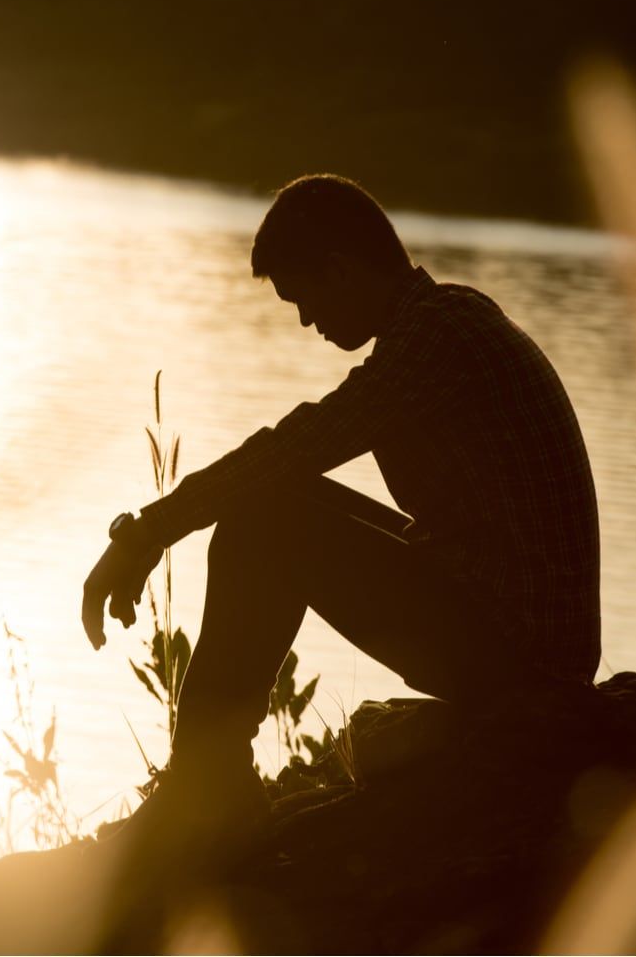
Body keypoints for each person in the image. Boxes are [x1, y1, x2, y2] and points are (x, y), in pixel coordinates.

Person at [80, 173, 600, 842]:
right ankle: (209, 778)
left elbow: (300, 443)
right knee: (271, 503)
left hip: (522, 658)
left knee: (265, 520)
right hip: (519, 635)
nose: (306, 322)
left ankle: (206, 789)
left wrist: (151, 530)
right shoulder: (443, 319)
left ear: (341, 269)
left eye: (306, 298)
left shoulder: (436, 340)